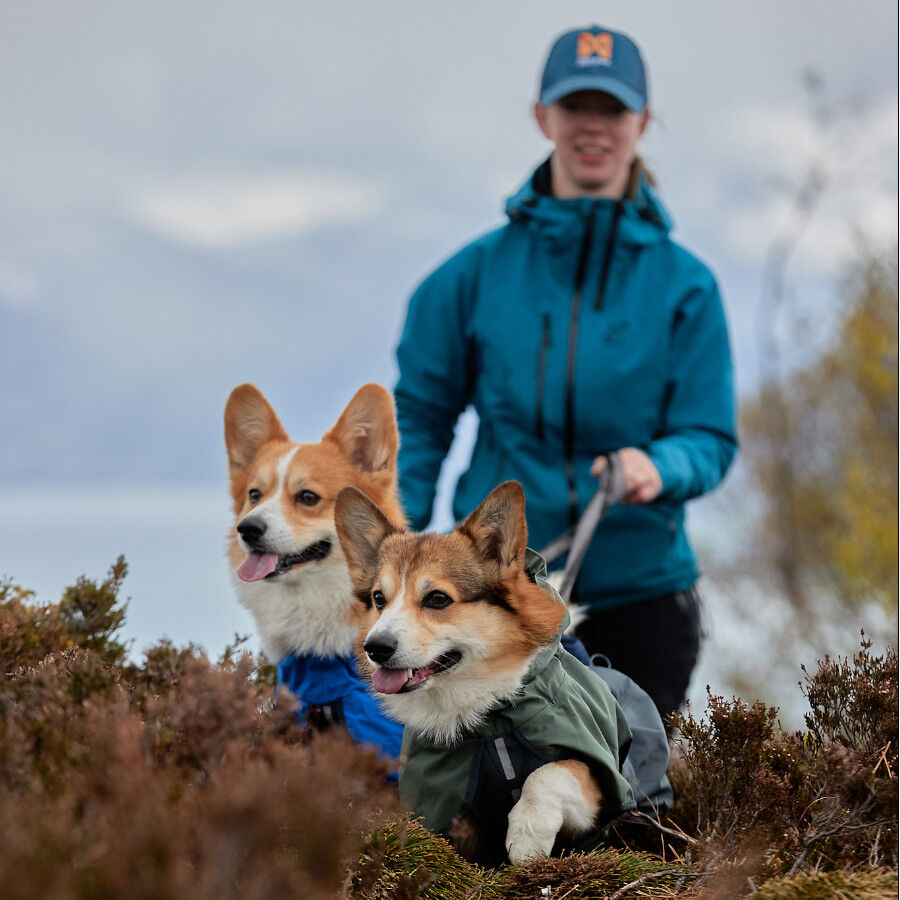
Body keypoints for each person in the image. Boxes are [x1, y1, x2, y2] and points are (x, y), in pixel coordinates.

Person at [393, 25, 737, 722]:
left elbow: (709, 437)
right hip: (492, 602)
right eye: (575, 105)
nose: (593, 126)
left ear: (642, 122)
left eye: (612, 108)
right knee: (488, 786)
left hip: (642, 600)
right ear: (542, 116)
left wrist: (658, 466)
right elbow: (420, 421)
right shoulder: (467, 279)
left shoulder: (687, 288)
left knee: (628, 787)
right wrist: (389, 547)